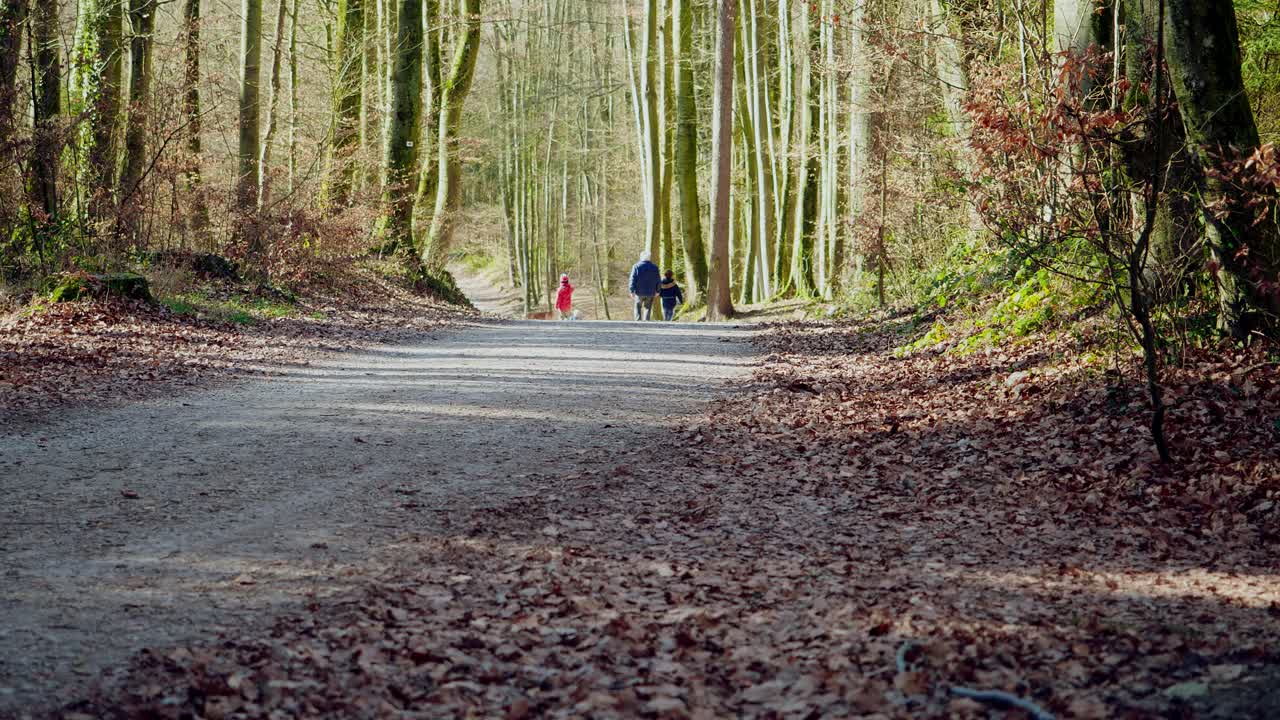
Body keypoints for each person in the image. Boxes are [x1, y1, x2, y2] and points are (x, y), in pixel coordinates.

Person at [628, 250, 661, 321]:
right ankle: (646, 322)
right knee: (648, 308)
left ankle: (638, 322)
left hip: (639, 292)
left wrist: (631, 290)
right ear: (649, 258)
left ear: (641, 257)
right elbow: (658, 280)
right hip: (650, 292)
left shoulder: (636, 266)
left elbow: (632, 279)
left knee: (637, 307)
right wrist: (658, 291)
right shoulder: (655, 267)